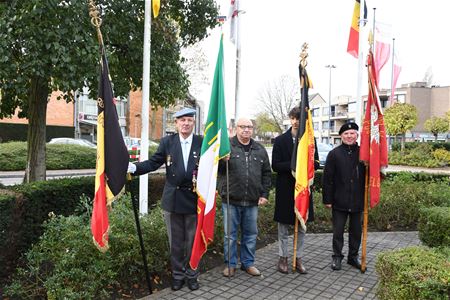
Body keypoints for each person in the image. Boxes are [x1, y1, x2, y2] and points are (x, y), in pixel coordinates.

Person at [127, 107, 202, 291]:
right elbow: (153, 163)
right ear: (175, 123)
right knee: (175, 242)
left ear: (194, 123)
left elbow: (211, 166)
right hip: (173, 199)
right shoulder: (167, 142)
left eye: (189, 120)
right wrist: (134, 168)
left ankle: (192, 275)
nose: (186, 123)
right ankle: (177, 275)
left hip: (194, 199)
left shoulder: (203, 142)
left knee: (193, 242)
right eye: (182, 120)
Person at [218, 117, 272, 277]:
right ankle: (230, 264)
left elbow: (267, 174)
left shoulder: (259, 149)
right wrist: (222, 160)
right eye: (243, 127)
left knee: (250, 234)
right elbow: (217, 170)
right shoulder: (226, 147)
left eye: (249, 127)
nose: (246, 130)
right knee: (230, 235)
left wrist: (264, 194)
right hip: (231, 200)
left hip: (252, 201)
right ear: (236, 128)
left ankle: (248, 263)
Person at [272, 107, 319, 274]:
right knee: (283, 227)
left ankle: (298, 258)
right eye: (293, 118)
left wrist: (305, 165)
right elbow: (275, 165)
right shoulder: (279, 141)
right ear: (290, 119)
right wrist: (295, 166)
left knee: (302, 227)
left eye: (299, 118)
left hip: (303, 192)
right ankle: (283, 258)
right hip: (286, 190)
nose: (296, 121)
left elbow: (317, 163)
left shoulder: (310, 140)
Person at [322, 122, 366, 271]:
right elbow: (327, 179)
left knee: (356, 232)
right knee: (338, 232)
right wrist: (327, 199)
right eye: (346, 134)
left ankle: (353, 257)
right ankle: (337, 257)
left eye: (352, 133)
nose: (349, 136)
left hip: (358, 200)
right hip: (339, 200)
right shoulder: (334, 154)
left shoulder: (364, 153)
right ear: (341, 136)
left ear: (357, 135)